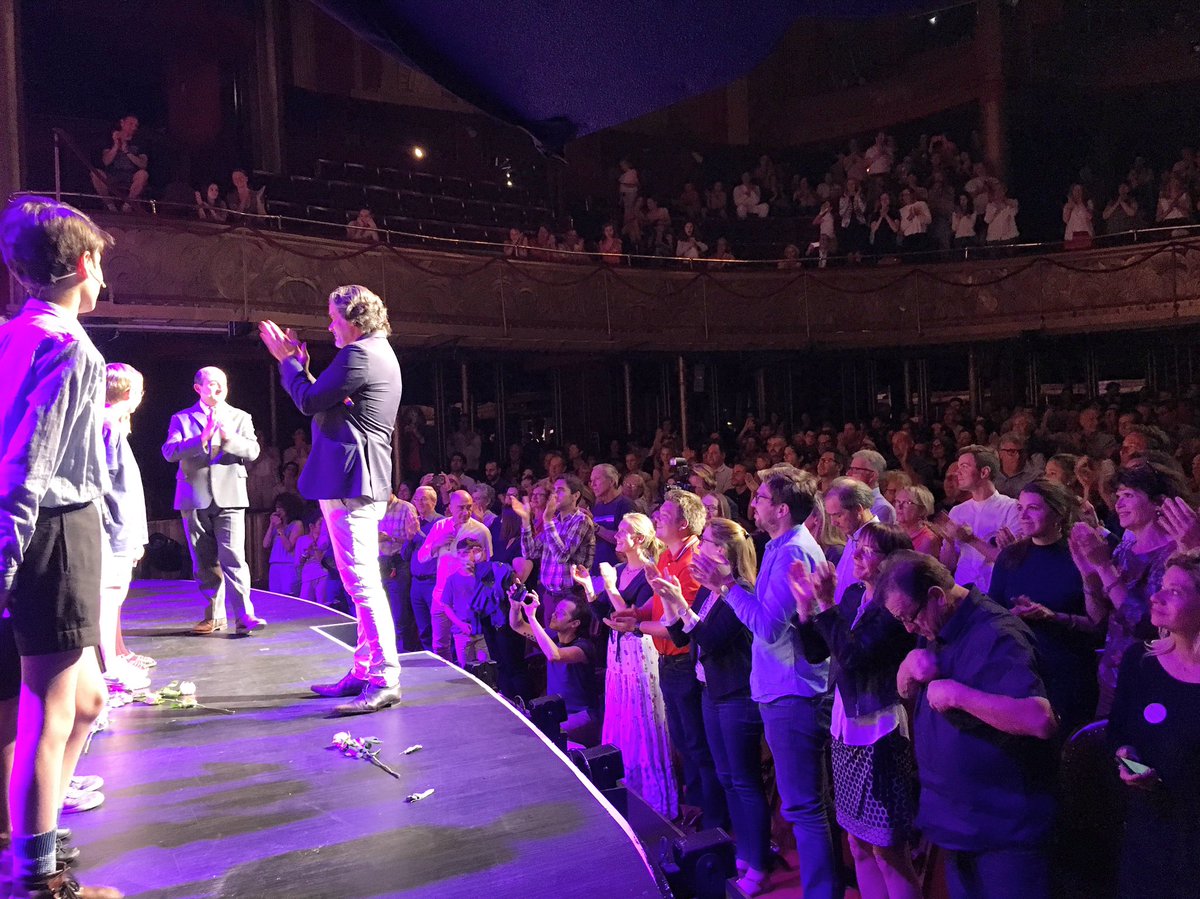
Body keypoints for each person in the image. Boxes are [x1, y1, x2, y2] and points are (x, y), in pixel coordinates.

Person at [0, 196, 121, 897]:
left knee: (87, 701)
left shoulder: (15, 333)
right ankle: (38, 876)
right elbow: (30, 464)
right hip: (51, 530)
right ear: (83, 263)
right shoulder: (70, 346)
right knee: (46, 712)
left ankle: (32, 829)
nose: (103, 275)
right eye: (100, 261)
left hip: (40, 528)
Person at [879, 552, 1058, 899]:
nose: (909, 628)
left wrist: (959, 696)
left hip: (1003, 828)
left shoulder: (998, 634)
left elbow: (1039, 719)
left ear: (936, 595)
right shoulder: (937, 623)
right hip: (957, 819)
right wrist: (907, 669)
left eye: (909, 617)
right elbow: (908, 690)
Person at [259, 284, 403, 715]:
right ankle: (364, 669)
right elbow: (325, 401)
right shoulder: (375, 353)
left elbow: (308, 401)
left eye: (333, 318)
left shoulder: (360, 355)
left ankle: (384, 677)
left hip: (351, 482)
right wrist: (306, 373)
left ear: (355, 321)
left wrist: (287, 363)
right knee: (359, 581)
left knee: (362, 582)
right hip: (355, 480)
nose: (328, 326)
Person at [722, 469, 841, 899]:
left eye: (761, 497)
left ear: (783, 509)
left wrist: (725, 586)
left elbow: (769, 627)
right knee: (806, 805)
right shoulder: (778, 545)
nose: (753, 503)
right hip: (783, 687)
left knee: (804, 807)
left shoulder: (794, 552)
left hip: (794, 692)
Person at [790, 524, 921, 899]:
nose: (857, 555)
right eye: (856, 547)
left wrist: (825, 604)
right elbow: (819, 652)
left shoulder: (894, 608)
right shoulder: (852, 596)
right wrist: (805, 605)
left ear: (891, 562)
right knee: (857, 843)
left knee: (887, 851)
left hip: (881, 732)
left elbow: (852, 656)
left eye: (868, 550)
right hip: (845, 729)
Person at [658, 518, 774, 896]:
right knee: (726, 778)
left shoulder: (741, 591)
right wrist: (671, 600)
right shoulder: (708, 592)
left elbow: (712, 639)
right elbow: (683, 637)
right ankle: (743, 852)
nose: (700, 546)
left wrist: (682, 605)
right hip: (711, 694)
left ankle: (758, 862)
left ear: (722, 551)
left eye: (705, 541)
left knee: (744, 780)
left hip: (737, 696)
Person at [611, 490, 727, 831]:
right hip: (667, 663)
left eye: (664, 515)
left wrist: (636, 626)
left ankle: (712, 823)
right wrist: (637, 612)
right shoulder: (666, 557)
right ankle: (695, 810)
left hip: (684, 664)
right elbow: (659, 605)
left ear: (684, 523)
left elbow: (679, 627)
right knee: (683, 742)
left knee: (697, 745)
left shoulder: (693, 563)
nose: (657, 518)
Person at [1108, 549, 1200, 899]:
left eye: (1175, 591)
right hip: (1150, 831)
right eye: (1161, 585)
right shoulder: (1140, 661)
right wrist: (1125, 757)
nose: (1156, 597)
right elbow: (1118, 732)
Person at [573, 514, 675, 818]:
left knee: (640, 716)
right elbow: (605, 613)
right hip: (617, 652)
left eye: (623, 532)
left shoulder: (649, 573)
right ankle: (621, 783)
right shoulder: (619, 570)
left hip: (639, 651)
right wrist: (590, 588)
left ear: (639, 539)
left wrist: (609, 586)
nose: (616, 536)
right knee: (621, 712)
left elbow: (632, 616)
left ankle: (651, 798)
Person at [1069, 460, 1184, 715]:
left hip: (1149, 680)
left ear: (1158, 502)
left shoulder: (1172, 557)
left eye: (1129, 496)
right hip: (1111, 677)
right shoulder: (1125, 549)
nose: (1118, 504)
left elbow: (1146, 625)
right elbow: (1100, 619)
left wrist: (1103, 567)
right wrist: (1087, 573)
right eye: (1118, 496)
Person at [989, 479, 1103, 735]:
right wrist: (1013, 615)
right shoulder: (1010, 557)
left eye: (1033, 508)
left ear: (1058, 513)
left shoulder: (1079, 555)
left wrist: (1054, 617)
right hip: (1021, 671)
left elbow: (1099, 626)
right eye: (1020, 508)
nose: (1023, 516)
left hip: (1069, 671)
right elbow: (993, 614)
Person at [162, 367, 265, 635]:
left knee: (234, 556)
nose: (218, 389)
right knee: (204, 561)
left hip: (230, 494)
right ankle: (214, 616)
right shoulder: (182, 418)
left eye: (222, 384)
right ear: (198, 388)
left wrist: (230, 439)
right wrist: (202, 438)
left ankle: (244, 615)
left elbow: (253, 450)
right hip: (194, 496)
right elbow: (169, 452)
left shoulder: (240, 417)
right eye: (212, 384)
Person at [98, 363, 151, 692]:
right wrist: (124, 535)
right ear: (130, 393)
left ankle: (112, 663)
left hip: (119, 529)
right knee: (108, 598)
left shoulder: (112, 425)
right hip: (112, 531)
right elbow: (105, 486)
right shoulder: (106, 425)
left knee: (114, 597)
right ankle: (109, 670)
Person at [509, 587, 601, 746]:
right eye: (556, 610)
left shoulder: (584, 647)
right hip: (557, 712)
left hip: (581, 715)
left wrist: (532, 617)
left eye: (561, 613)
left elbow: (555, 655)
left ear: (575, 623)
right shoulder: (552, 637)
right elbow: (517, 625)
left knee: (539, 736)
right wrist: (515, 606)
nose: (554, 614)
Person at [419, 489, 492, 662]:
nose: (465, 512)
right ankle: (445, 675)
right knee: (440, 645)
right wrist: (436, 544)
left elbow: (487, 565)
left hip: (466, 598)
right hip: (441, 596)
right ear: (450, 507)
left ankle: (470, 675)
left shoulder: (481, 531)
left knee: (468, 644)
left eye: (469, 507)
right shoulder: (440, 527)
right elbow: (421, 557)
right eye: (461, 508)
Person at [937, 445, 1019, 595]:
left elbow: (1011, 562)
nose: (957, 472)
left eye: (964, 466)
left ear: (984, 472)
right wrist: (949, 540)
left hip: (994, 593)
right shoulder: (957, 511)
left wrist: (970, 539)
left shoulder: (1011, 508)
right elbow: (947, 565)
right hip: (962, 591)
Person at [514, 475, 594, 627]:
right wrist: (525, 520)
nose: (555, 495)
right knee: (548, 638)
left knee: (562, 640)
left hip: (570, 596)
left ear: (575, 495)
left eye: (561, 490)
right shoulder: (554, 522)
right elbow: (530, 553)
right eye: (554, 490)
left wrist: (547, 521)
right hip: (549, 594)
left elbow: (562, 556)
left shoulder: (581, 521)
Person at [91, 114, 148, 212]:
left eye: (136, 125)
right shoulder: (109, 139)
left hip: (131, 175)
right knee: (96, 173)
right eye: (131, 124)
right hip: (112, 174)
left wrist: (127, 152)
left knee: (143, 174)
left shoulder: (140, 142)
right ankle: (110, 206)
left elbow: (143, 164)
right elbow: (106, 161)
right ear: (122, 123)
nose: (134, 128)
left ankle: (128, 204)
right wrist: (116, 146)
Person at [589, 464, 636, 575]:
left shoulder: (625, 505)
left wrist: (596, 527)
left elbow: (628, 538)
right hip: (597, 572)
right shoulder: (597, 507)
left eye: (597, 479)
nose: (592, 484)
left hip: (617, 572)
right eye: (591, 480)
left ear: (611, 481)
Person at [263, 492, 305, 595]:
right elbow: (265, 544)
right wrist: (271, 525)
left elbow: (289, 547)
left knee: (288, 595)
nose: (278, 510)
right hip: (275, 564)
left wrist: (280, 529)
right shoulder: (276, 526)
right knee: (275, 596)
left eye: (281, 508)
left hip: (289, 565)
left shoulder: (297, 524)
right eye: (277, 507)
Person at [847, 449, 896, 523]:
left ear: (872, 476)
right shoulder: (850, 501)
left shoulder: (882, 508)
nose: (848, 473)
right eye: (850, 469)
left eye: (855, 470)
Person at [894, 485, 942, 558]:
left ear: (922, 509)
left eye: (907, 502)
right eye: (898, 501)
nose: (899, 506)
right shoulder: (893, 531)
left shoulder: (928, 540)